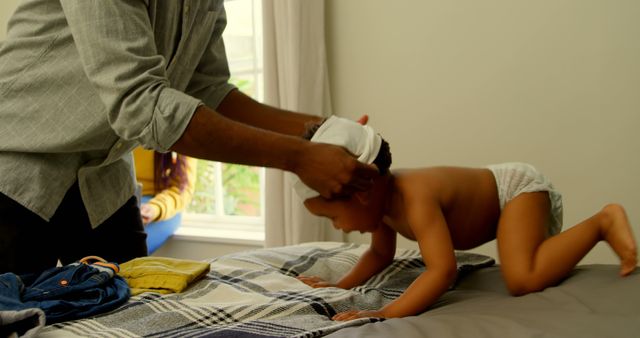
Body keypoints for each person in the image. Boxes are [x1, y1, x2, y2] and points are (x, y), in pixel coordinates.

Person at [0, 1, 378, 274]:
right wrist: (300, 158)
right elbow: (141, 104)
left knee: (136, 314)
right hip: (16, 169)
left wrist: (321, 130)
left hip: (103, 175)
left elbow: (208, 89)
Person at [295, 117, 638, 320]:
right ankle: (596, 226)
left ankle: (602, 222)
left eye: (334, 217)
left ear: (361, 191)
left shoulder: (414, 197)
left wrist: (387, 314)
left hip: (515, 191)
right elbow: (380, 255)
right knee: (524, 267)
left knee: (522, 278)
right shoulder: (382, 208)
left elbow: (442, 270)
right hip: (502, 205)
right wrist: (340, 285)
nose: (339, 227)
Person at [133, 147, 197, 254]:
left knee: (126, 250)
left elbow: (181, 190)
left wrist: (154, 208)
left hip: (156, 205)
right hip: (115, 201)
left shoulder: (180, 136)